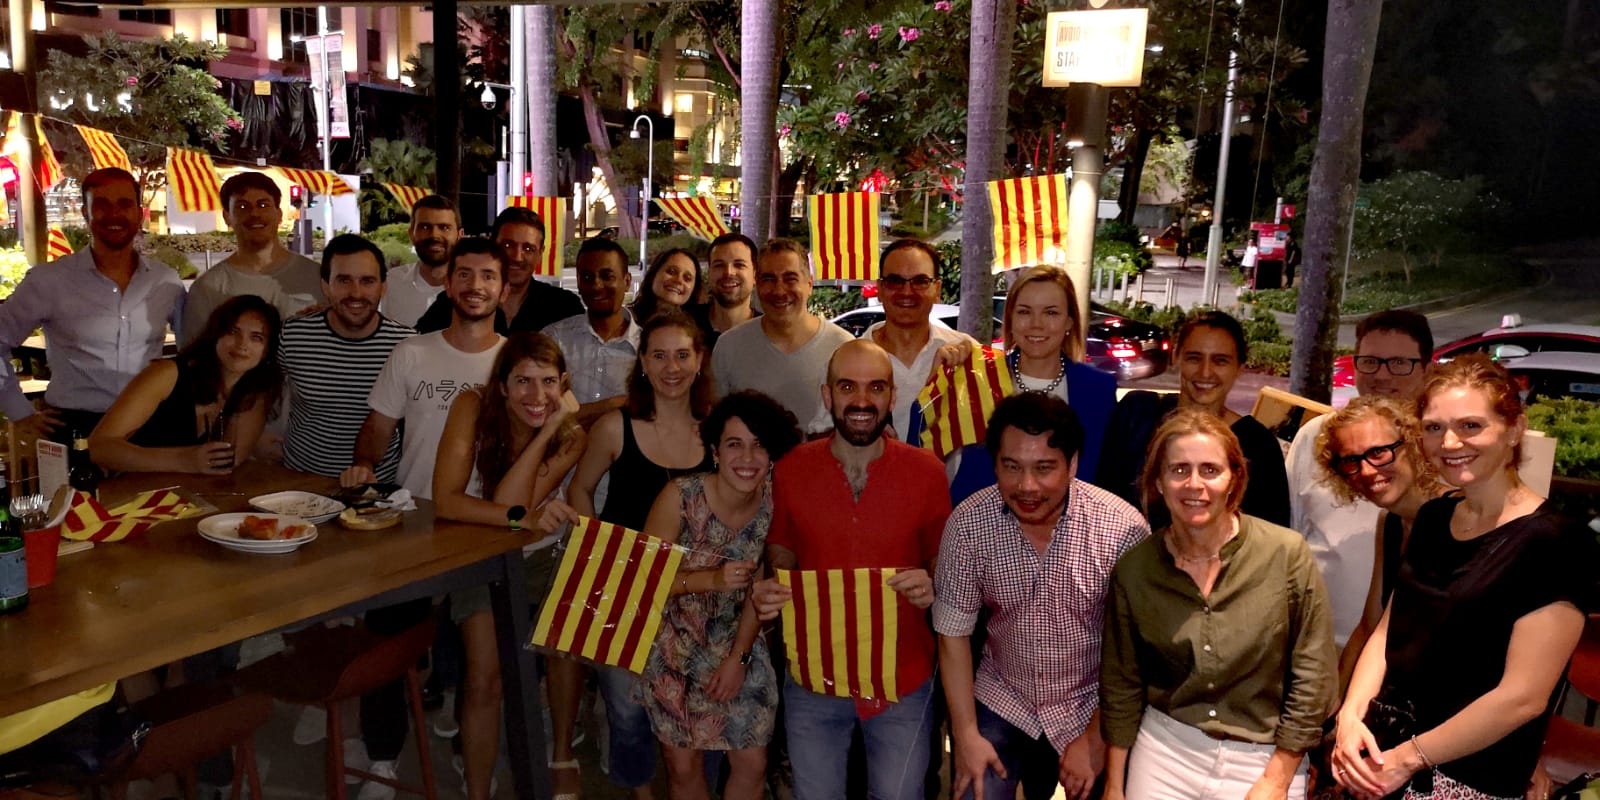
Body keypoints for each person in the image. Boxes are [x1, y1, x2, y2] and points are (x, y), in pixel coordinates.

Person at [1331, 354, 1596, 800]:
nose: (1450, 442)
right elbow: (1388, 630)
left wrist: (1408, 759)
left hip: (1468, 777)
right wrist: (1350, 717)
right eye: (1434, 427)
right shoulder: (1434, 517)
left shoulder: (1556, 542)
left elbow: (1522, 697)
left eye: (1471, 426)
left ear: (1514, 429)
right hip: (1381, 756)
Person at [1100, 408, 1336, 800]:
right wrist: (1113, 785)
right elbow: (1121, 682)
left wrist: (1278, 778)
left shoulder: (1286, 554)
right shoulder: (1135, 569)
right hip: (1166, 750)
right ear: (1158, 481)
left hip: (1265, 756)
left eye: (1210, 470)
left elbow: (1314, 675)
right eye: (1179, 470)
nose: (1194, 484)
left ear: (1234, 479)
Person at [750, 339, 950, 800]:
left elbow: (942, 560)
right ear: (827, 395)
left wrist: (934, 583)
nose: (862, 400)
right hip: (814, 674)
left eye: (876, 387)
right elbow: (781, 550)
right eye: (847, 387)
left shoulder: (927, 472)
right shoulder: (791, 469)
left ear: (892, 397)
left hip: (903, 674)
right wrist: (772, 586)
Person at [934, 392, 1149, 800]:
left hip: (1092, 701)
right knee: (973, 787)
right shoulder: (968, 524)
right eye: (1011, 467)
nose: (1026, 486)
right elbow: (952, 634)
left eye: (1044, 468)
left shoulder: (1122, 529)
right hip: (1004, 694)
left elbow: (1134, 654)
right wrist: (964, 735)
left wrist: (1098, 737)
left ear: (1072, 464)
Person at [565, 309, 717, 798]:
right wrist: (596, 552)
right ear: (643, 364)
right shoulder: (615, 427)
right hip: (623, 586)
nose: (672, 367)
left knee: (693, 709)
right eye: (659, 356)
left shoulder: (717, 433)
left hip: (697, 592)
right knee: (627, 710)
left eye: (682, 355)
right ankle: (640, 792)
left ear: (699, 361)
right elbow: (580, 489)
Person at [433, 332, 585, 800]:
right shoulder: (471, 407)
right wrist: (523, 519)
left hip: (545, 554)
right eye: (522, 381)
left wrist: (549, 429)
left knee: (564, 649)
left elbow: (511, 500)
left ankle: (561, 751)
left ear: (563, 384)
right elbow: (449, 501)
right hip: (481, 553)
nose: (536, 395)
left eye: (547, 382)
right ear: (501, 385)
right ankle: (478, 789)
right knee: (485, 677)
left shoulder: (572, 436)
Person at [638, 391, 802, 800]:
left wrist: (738, 659)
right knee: (683, 768)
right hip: (672, 643)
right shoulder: (680, 497)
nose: (747, 457)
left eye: (759, 445)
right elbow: (641, 581)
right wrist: (710, 580)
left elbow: (761, 589)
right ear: (714, 451)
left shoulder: (775, 502)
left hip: (741, 640)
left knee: (753, 763)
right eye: (734, 444)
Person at [0, 167, 186, 441]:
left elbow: (194, 350)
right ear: (85, 213)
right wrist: (19, 412)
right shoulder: (49, 281)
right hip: (75, 428)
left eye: (124, 204)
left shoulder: (165, 281)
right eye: (102, 204)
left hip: (149, 426)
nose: (114, 214)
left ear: (139, 213)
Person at [1287, 309, 1433, 653]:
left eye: (1399, 363)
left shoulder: (1441, 447)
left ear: (1427, 369)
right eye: (1370, 362)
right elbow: (1291, 537)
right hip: (1312, 641)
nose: (1381, 375)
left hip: (1405, 651)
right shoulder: (1316, 436)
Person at [920, 266, 1117, 506]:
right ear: (1010, 320)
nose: (1036, 324)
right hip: (979, 522)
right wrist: (935, 385)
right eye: (1024, 312)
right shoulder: (977, 376)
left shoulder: (1098, 390)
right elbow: (921, 453)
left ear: (1069, 322)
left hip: (1070, 526)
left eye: (1051, 313)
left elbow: (1105, 481)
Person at [342, 238, 507, 498]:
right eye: (464, 274)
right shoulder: (409, 352)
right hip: (414, 507)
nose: (475, 286)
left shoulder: (516, 362)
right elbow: (378, 428)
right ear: (448, 285)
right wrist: (363, 465)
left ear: (504, 291)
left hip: (488, 512)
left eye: (488, 276)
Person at [1097, 310, 1291, 527]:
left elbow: (1270, 535)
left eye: (1220, 361)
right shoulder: (1137, 415)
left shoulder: (1258, 445)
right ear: (1176, 357)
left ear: (1239, 368)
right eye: (1194, 358)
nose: (1205, 372)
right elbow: (1101, 504)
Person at [1314, 396, 1444, 689]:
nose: (1367, 470)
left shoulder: (1455, 517)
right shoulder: (1391, 522)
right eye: (1351, 460)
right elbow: (1369, 627)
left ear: (1413, 445)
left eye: (1378, 452)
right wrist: (1336, 703)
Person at [89, 295, 282, 474]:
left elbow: (231, 459)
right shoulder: (167, 374)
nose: (242, 344)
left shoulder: (255, 391)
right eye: (233, 332)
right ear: (215, 334)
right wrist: (184, 460)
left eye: (256, 337)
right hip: (124, 489)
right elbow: (98, 447)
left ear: (267, 350)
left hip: (185, 494)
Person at [279, 234, 414, 481]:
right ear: (325, 286)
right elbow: (259, 393)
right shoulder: (292, 334)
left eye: (367, 281)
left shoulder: (407, 345)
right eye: (344, 280)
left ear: (383, 287)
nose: (356, 293)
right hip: (300, 482)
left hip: (376, 487)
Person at [712, 238, 854, 436]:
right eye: (769, 279)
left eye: (790, 278)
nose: (779, 290)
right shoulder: (729, 347)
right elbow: (718, 427)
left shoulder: (844, 348)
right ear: (757, 284)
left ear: (809, 284)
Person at [181, 171, 321, 346]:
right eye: (242, 206)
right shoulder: (207, 288)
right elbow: (194, 355)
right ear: (227, 217)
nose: (254, 213)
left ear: (279, 214)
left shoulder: (317, 277)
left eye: (263, 205)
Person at [865, 239, 974, 437]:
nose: (907, 292)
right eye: (895, 281)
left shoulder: (967, 353)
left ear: (937, 290)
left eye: (920, 281)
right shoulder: (846, 359)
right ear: (879, 289)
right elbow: (821, 436)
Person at [417, 206, 584, 335]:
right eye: (508, 245)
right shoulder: (455, 301)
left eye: (528, 249)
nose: (517, 257)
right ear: (492, 245)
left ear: (540, 253)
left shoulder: (563, 307)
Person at [543, 237, 642, 427]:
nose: (596, 286)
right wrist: (616, 404)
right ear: (578, 283)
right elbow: (541, 411)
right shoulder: (553, 339)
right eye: (587, 277)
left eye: (607, 276)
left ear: (627, 281)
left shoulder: (647, 347)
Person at [380, 195, 461, 328]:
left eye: (444, 227)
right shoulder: (390, 283)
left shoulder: (471, 290)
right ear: (411, 234)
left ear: (459, 235)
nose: (434, 235)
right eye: (425, 227)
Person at [694, 232, 760, 350]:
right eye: (719, 265)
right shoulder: (685, 323)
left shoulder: (769, 333)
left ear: (755, 275)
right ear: (709, 273)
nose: (728, 272)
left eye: (739, 265)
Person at [632, 247, 703, 324]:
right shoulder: (626, 319)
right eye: (672, 272)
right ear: (653, 275)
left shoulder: (697, 328)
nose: (679, 280)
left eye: (687, 278)